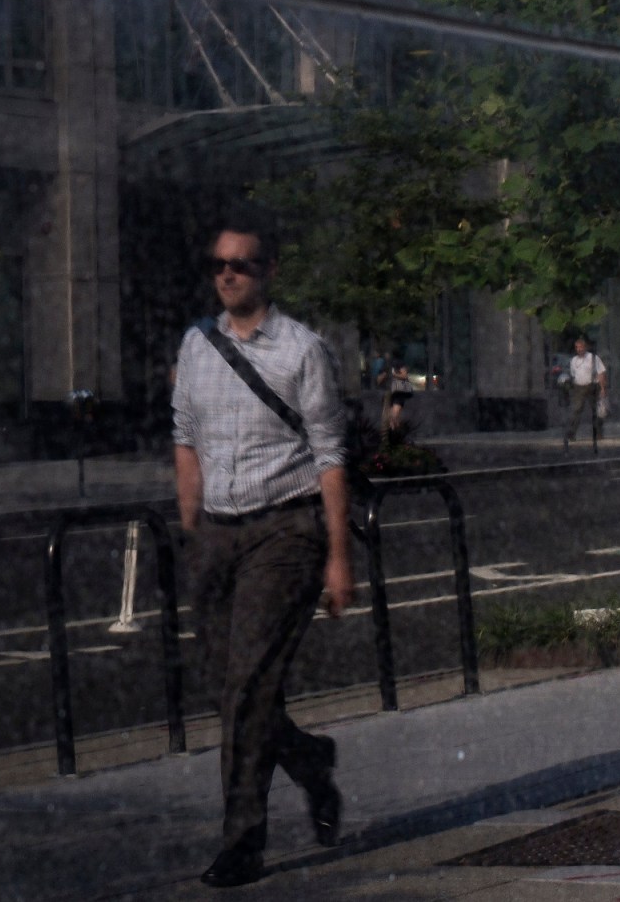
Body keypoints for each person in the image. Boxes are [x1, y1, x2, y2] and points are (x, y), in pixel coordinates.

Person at [173, 225, 350, 888]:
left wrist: (338, 558)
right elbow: (184, 438)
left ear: (268, 269)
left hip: (285, 531)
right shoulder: (196, 343)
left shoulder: (304, 349)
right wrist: (192, 530)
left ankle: (243, 840)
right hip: (218, 533)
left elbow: (331, 454)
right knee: (230, 688)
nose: (228, 275)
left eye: (241, 265)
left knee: (248, 686)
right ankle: (308, 760)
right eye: (218, 264)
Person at [558, 336, 608, 450]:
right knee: (576, 409)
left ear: (585, 347)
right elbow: (573, 374)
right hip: (578, 387)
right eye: (577, 347)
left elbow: (601, 373)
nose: (579, 349)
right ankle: (571, 433)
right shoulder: (574, 360)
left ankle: (598, 433)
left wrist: (603, 388)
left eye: (581, 347)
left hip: (592, 386)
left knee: (596, 411)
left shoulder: (593, 358)